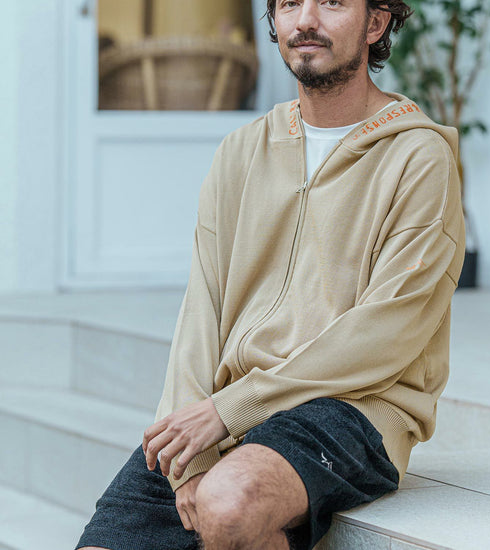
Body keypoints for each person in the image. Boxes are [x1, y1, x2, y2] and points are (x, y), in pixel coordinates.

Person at [76, 1, 465, 549]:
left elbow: (388, 330)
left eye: (331, 2)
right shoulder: (242, 151)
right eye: (288, 4)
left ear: (375, 24)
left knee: (228, 503)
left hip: (354, 406)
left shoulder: (418, 158)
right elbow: (203, 305)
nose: (305, 20)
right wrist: (192, 442)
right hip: (228, 409)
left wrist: (231, 409)